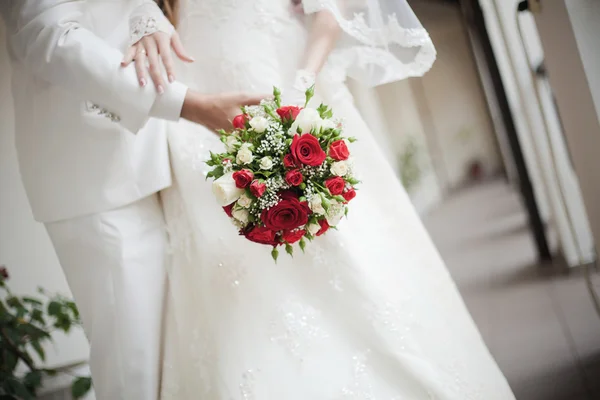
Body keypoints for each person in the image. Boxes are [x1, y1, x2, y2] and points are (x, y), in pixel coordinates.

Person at [126, 0, 518, 398]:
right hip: (194, 101)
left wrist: (300, 90)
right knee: (229, 272)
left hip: (279, 72)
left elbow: (336, 6)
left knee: (338, 251)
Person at [0, 1, 264, 399]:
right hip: (94, 175)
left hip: (147, 161)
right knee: (133, 371)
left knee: (161, 364)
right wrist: (192, 106)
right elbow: (48, 35)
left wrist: (149, 17)